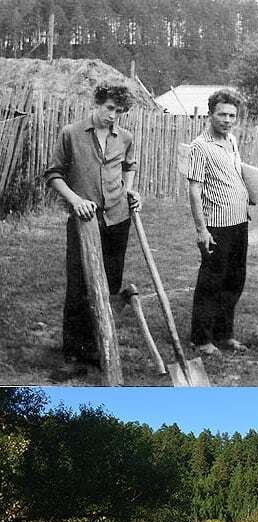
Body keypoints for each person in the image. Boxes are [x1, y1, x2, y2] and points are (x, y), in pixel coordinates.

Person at [45, 81, 141, 371]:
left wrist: (129, 191)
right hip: (84, 221)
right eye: (110, 109)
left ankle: (98, 348)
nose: (114, 116)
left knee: (109, 285)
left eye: (120, 111)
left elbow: (129, 166)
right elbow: (53, 175)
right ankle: (74, 355)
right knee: (79, 286)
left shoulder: (124, 137)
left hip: (117, 219)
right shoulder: (71, 134)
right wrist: (75, 200)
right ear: (97, 103)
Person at [187, 89, 249, 356]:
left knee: (234, 280)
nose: (227, 119)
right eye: (222, 114)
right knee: (212, 282)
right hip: (217, 225)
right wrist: (202, 229)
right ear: (211, 114)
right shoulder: (200, 146)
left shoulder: (232, 141)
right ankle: (200, 339)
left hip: (239, 221)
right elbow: (194, 189)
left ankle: (224, 334)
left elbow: (235, 176)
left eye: (232, 115)